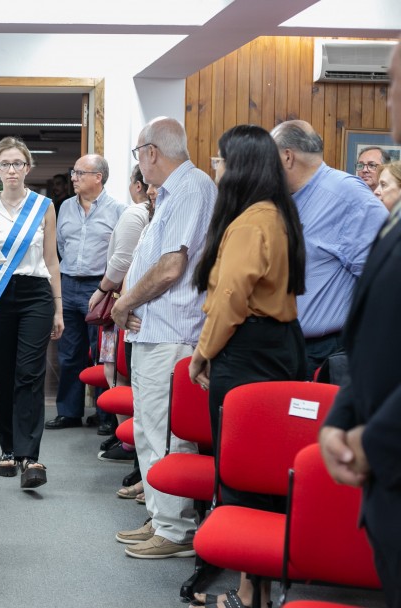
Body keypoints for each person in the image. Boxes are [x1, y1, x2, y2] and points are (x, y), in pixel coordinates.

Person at [188, 125, 307, 608]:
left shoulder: (249, 223)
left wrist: (202, 353)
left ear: (238, 166)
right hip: (277, 345)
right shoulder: (276, 213)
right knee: (267, 469)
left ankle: (247, 594)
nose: (214, 168)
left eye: (218, 160)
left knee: (243, 471)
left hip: (247, 349)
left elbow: (231, 300)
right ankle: (252, 589)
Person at [110, 117, 216, 560]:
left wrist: (122, 305)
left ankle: (176, 531)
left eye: (138, 154)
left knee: (166, 437)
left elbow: (172, 268)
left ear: (152, 152)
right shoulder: (172, 193)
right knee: (151, 434)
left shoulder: (191, 188)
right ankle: (162, 518)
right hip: (154, 333)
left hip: (172, 336)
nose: (139, 165)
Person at [320, 38, 401, 608]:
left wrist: (375, 437)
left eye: (393, 86)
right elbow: (371, 327)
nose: (389, 99)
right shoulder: (391, 217)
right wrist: (341, 415)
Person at [270, 120, 388, 377]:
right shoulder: (288, 198)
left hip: (325, 352)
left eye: (270, 157)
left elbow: (382, 275)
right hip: (288, 346)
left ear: (287, 157)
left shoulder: (346, 195)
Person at [0, 136, 62, 488]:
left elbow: (51, 259)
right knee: (4, 372)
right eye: (5, 164)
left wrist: (58, 307)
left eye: (17, 163)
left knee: (30, 373)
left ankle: (31, 456)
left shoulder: (44, 205)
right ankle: (8, 449)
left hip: (35, 294)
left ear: (28, 168)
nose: (11, 170)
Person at [47, 154, 126, 430]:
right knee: (69, 352)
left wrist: (110, 287)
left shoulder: (119, 210)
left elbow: (121, 254)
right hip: (69, 284)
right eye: (74, 172)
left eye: (80, 173)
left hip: (100, 288)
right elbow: (59, 247)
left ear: (98, 177)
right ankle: (69, 412)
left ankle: (105, 414)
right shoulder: (64, 207)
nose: (74, 178)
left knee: (102, 353)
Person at [88, 166, 153, 465]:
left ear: (138, 186)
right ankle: (126, 436)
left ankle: (127, 441)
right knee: (124, 372)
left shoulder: (135, 214)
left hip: (122, 300)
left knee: (117, 370)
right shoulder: (151, 214)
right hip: (136, 301)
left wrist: (102, 290)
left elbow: (121, 260)